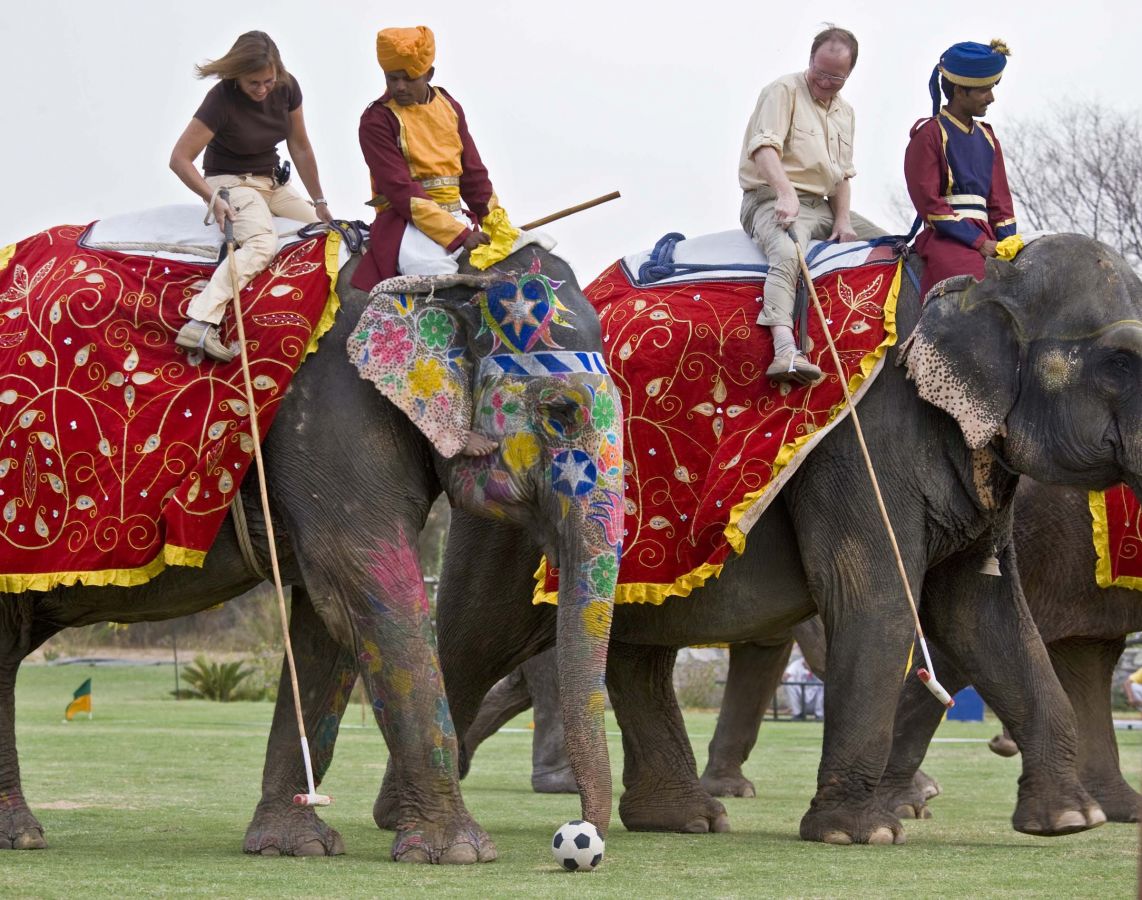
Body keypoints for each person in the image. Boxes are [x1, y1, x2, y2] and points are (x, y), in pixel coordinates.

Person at [354, 25, 500, 456]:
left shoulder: (450, 106)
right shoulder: (376, 120)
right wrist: (458, 235)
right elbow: (403, 194)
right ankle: (443, 422)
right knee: (438, 295)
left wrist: (496, 223)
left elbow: (473, 174)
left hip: (460, 220)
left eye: (406, 77)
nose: (397, 86)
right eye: (390, 78)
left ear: (429, 72)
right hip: (409, 228)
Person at [170, 31, 335, 363]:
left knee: (328, 234)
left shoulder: (287, 88)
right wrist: (212, 197)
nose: (262, 89)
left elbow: (300, 146)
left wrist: (320, 203)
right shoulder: (221, 100)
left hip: (272, 181)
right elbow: (179, 159)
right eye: (253, 83)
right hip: (230, 181)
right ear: (236, 77)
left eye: (268, 82)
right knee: (262, 244)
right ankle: (201, 320)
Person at [738, 26, 861, 386]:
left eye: (835, 78)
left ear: (849, 74)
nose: (825, 82)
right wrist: (784, 192)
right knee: (789, 251)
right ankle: (785, 349)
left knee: (889, 244)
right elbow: (764, 148)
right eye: (819, 73)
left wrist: (843, 220)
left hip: (821, 205)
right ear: (810, 59)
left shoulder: (846, 113)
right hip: (770, 198)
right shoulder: (783, 91)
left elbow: (842, 175)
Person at [904, 40, 1017, 298]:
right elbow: (929, 203)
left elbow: (1001, 203)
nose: (991, 97)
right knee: (974, 288)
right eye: (983, 90)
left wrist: (1007, 243)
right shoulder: (929, 135)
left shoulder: (989, 138)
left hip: (990, 237)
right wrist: (977, 242)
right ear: (959, 91)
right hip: (947, 239)